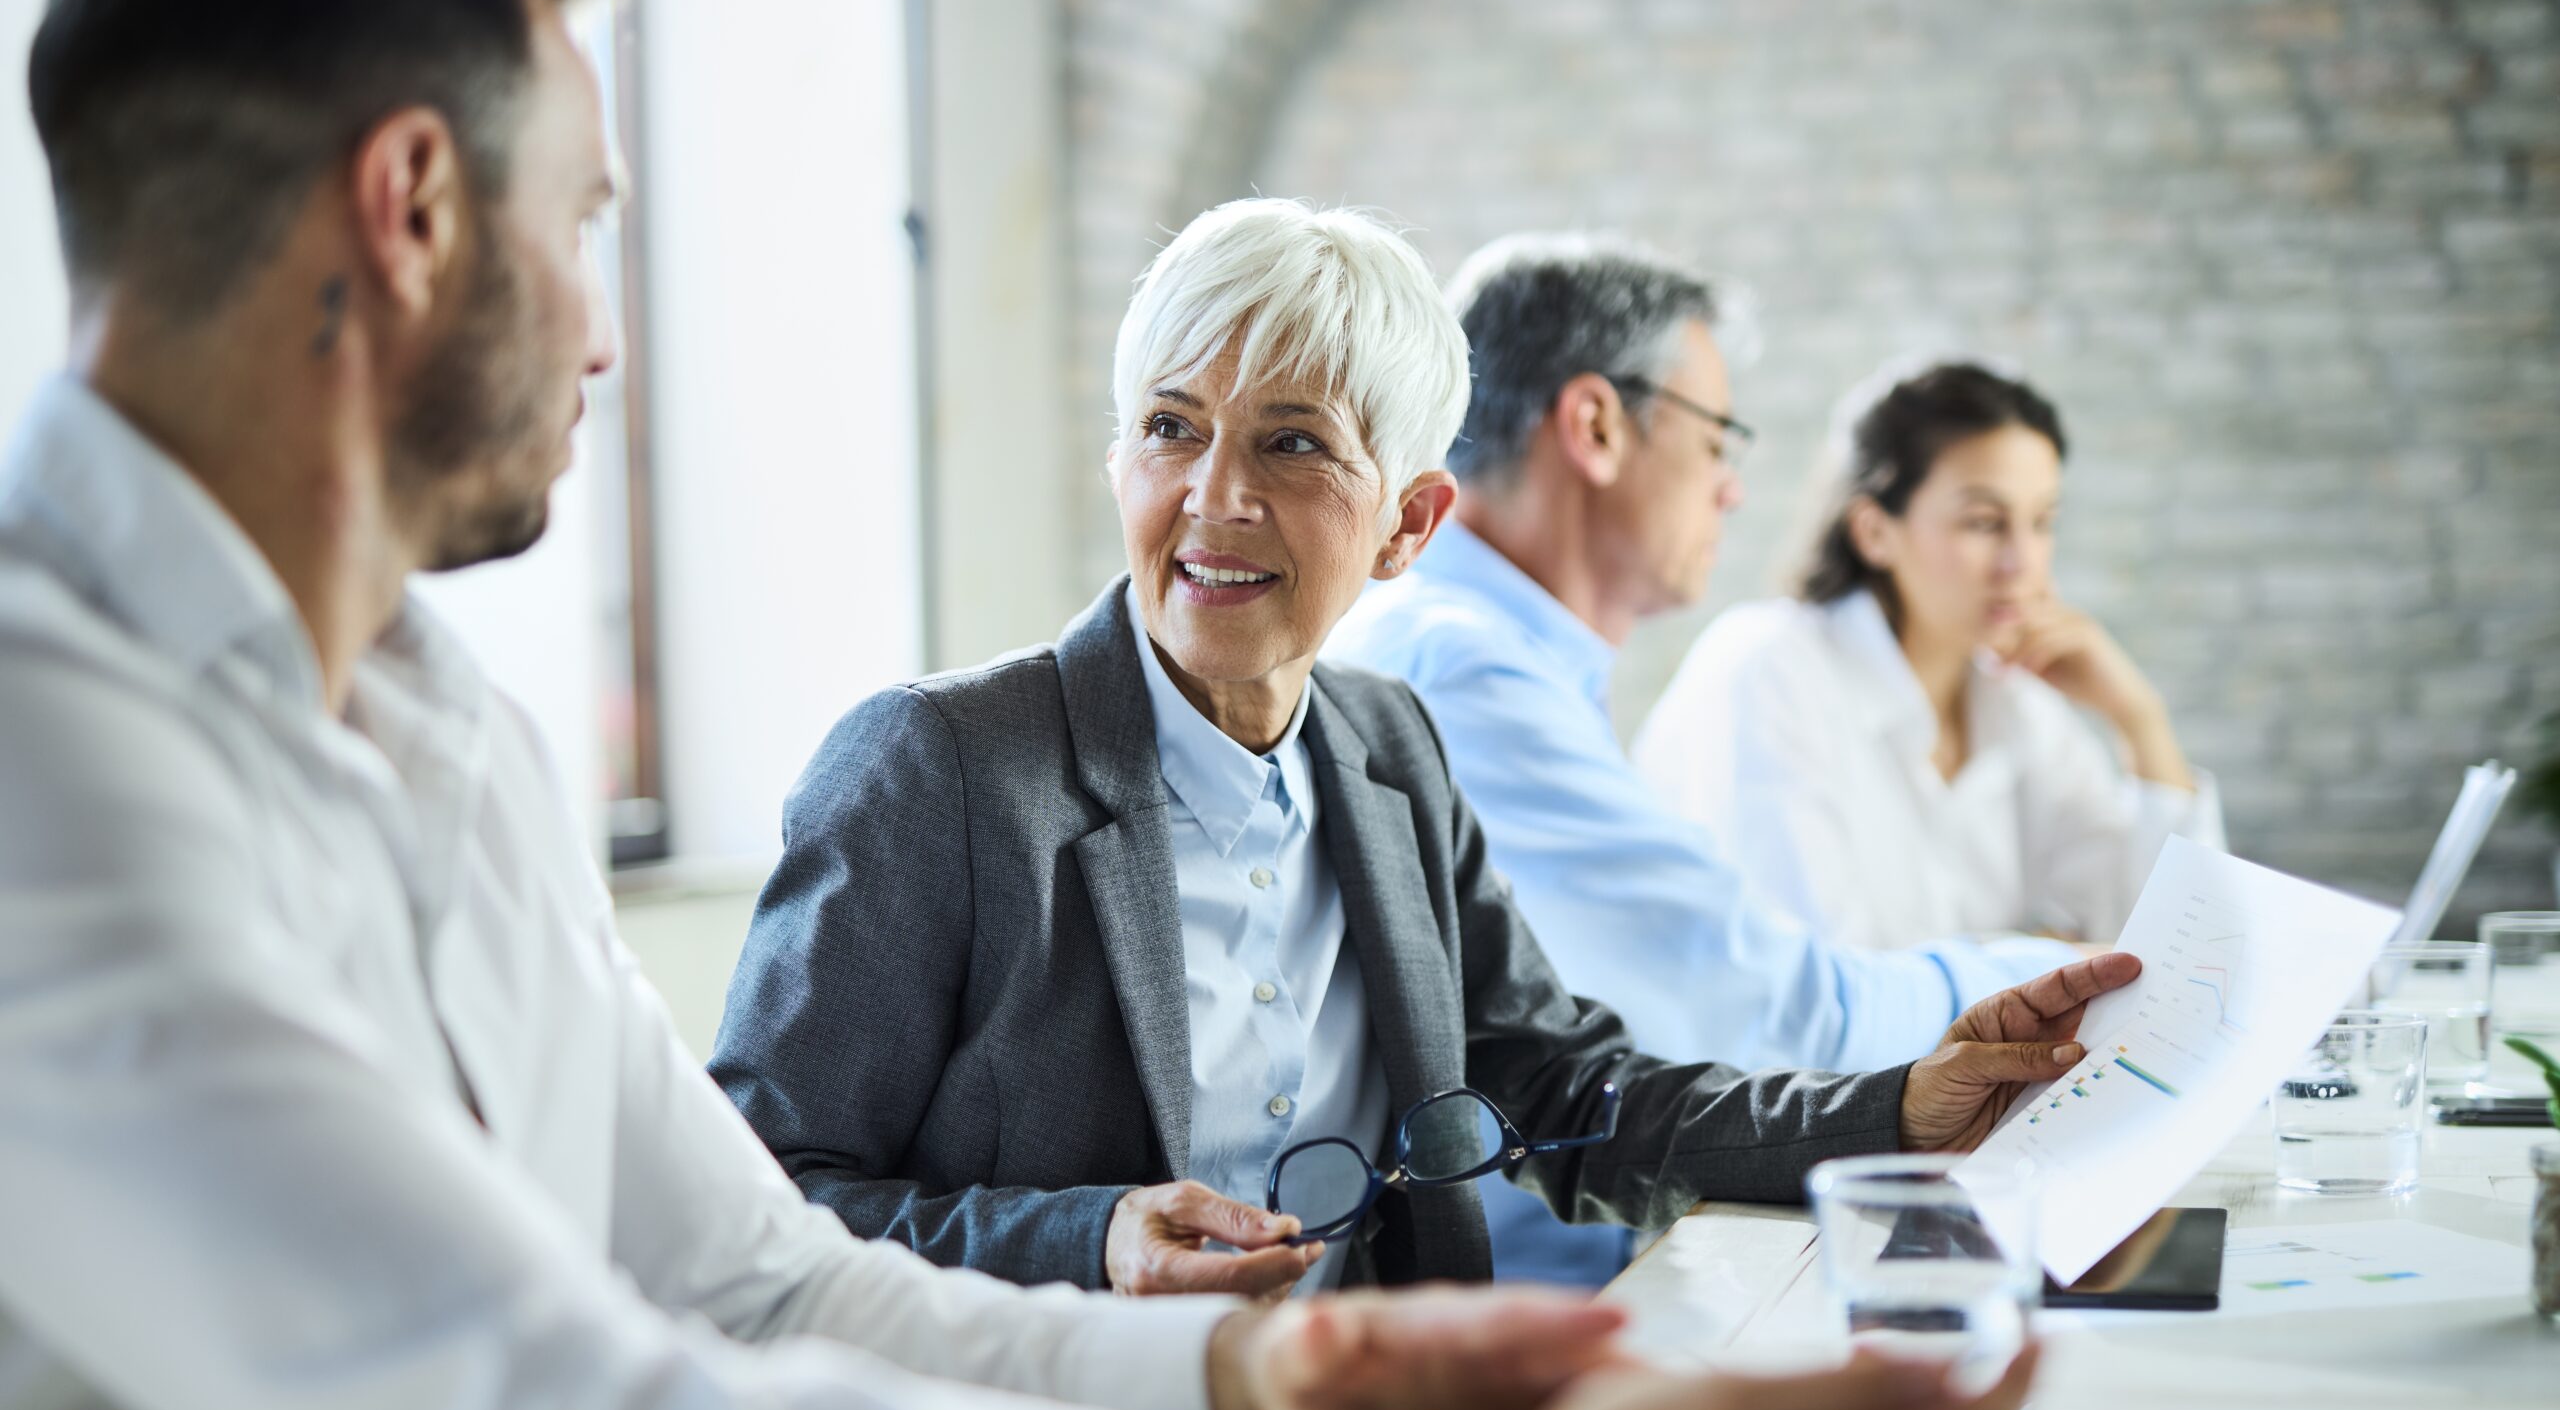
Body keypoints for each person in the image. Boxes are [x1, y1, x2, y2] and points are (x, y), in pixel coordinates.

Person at [0, 0, 2062, 1410]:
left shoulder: (439, 720)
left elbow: (753, 1278)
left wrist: (1262, 1372)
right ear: (416, 207)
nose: (606, 334)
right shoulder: (49, 758)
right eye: (588, 222)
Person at [711, 199, 2127, 1310]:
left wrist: (1899, 1107)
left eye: (1290, 444)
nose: (1213, 499)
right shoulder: (936, 766)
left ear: (1407, 523)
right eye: (1170, 429)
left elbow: (1565, 1089)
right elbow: (749, 1207)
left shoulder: (1388, 751)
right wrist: (1093, 1238)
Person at [1325, 237, 2078, 1287]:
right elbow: (1768, 1020)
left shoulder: (1503, 662)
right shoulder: (1455, 670)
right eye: (1717, 440)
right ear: (1594, 426)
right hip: (1552, 1293)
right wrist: (2058, 980)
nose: (1730, 491)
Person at [1634, 360, 2223, 952]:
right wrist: (2054, 958)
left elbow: (2178, 952)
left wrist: (2140, 720)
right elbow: (1821, 982)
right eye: (1983, 522)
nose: (2021, 562)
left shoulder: (2014, 700)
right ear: (1873, 532)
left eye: (2042, 522)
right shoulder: (1769, 667)